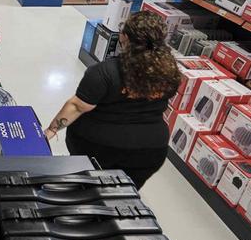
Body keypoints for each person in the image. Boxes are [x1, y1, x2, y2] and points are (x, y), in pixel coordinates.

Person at [46, 11, 181, 188]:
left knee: (88, 189)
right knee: (125, 192)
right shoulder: (171, 72)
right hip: (150, 150)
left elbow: (77, 107)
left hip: (98, 148)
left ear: (124, 37)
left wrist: (50, 131)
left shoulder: (104, 72)